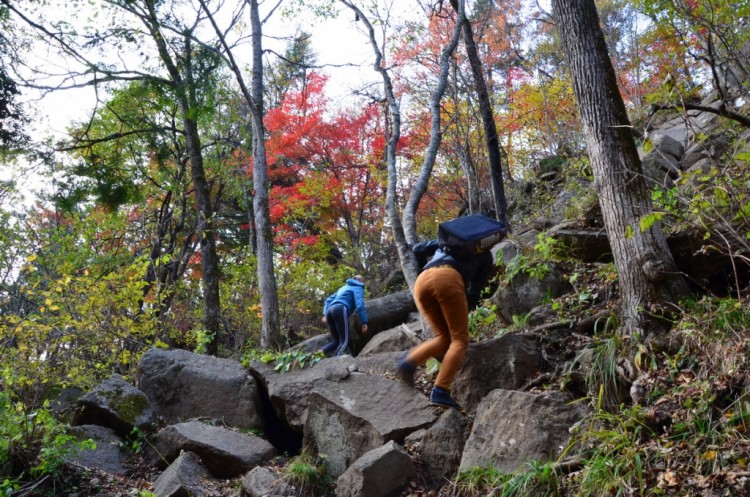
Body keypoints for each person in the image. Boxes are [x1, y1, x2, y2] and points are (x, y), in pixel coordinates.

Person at [397, 243, 494, 410]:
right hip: (448, 279)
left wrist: (423, 267)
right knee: (459, 341)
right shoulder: (485, 254)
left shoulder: (448, 241)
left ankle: (409, 361)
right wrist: (463, 308)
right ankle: (440, 391)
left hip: (421, 282)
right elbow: (474, 292)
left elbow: (418, 249)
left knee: (444, 338)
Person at [321, 275, 369, 357]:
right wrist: (364, 322)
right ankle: (336, 363)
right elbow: (360, 305)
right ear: (360, 280)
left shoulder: (343, 288)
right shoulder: (358, 287)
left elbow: (328, 300)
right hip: (340, 309)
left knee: (336, 342)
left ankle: (315, 354)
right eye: (363, 280)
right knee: (345, 341)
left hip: (330, 311)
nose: (363, 282)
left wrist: (325, 314)